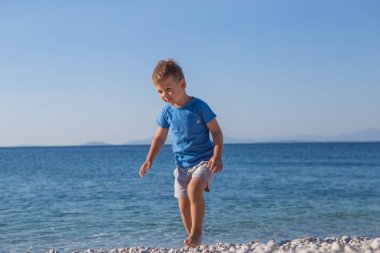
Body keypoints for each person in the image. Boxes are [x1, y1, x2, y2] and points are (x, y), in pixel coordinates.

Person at [139, 58, 223, 248]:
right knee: (183, 205)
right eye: (160, 91)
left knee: (194, 190)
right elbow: (159, 138)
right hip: (182, 166)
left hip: (205, 161)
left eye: (168, 89)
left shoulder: (199, 106)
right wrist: (149, 159)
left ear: (182, 84)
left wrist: (217, 156)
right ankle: (192, 240)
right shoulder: (167, 111)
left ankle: (197, 233)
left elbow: (216, 131)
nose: (164, 95)